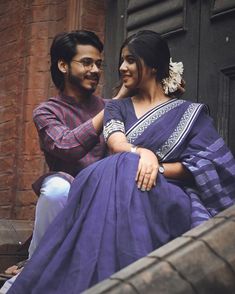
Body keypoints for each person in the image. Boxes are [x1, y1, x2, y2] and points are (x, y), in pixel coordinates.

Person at [7, 30, 235, 294]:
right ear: (63, 65)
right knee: (119, 165)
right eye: (89, 63)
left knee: (123, 167)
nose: (120, 68)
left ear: (152, 65)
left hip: (164, 191)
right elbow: (114, 144)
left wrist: (156, 168)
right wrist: (143, 153)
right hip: (109, 188)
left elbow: (206, 162)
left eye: (129, 60)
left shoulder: (189, 112)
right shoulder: (113, 107)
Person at [0, 29, 127, 292]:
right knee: (57, 188)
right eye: (86, 62)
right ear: (63, 65)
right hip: (67, 198)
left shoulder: (108, 105)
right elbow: (66, 146)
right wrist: (111, 108)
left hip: (103, 197)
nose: (95, 70)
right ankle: (36, 266)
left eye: (99, 64)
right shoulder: (46, 111)